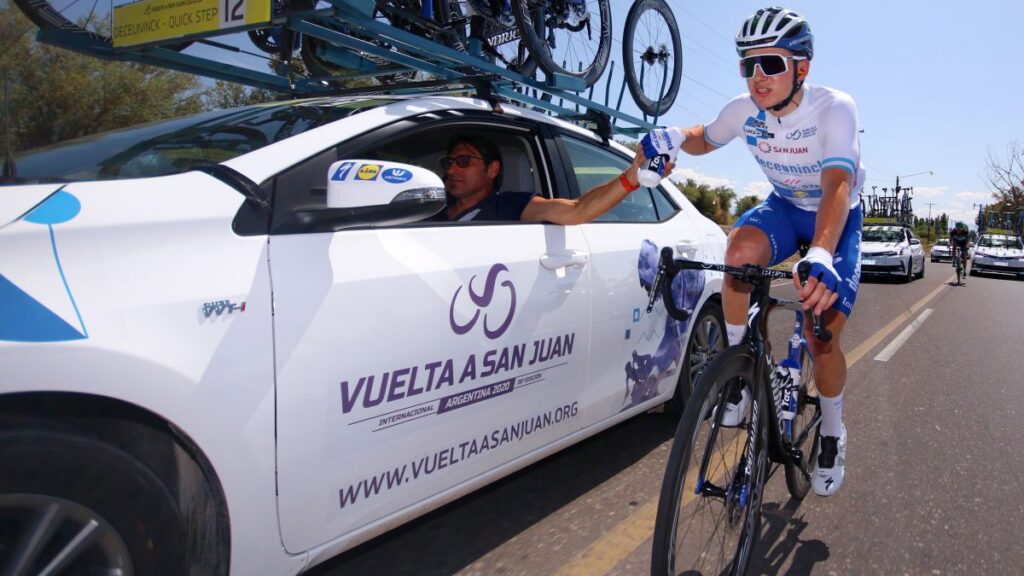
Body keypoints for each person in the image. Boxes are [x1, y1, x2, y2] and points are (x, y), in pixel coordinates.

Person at [643, 6, 863, 496]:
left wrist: (822, 253)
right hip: (785, 207)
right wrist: (675, 136)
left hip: (834, 213)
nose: (757, 77)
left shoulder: (835, 108)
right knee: (738, 252)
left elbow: (837, 188)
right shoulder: (745, 110)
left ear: (801, 68)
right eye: (748, 65)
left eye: (771, 64)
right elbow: (707, 137)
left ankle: (831, 431)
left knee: (820, 334)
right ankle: (741, 369)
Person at [433, 134, 665, 223]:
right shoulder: (431, 207)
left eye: (463, 161)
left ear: (492, 169)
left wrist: (630, 178)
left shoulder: (509, 206)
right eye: (449, 163)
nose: (452, 170)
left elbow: (577, 210)